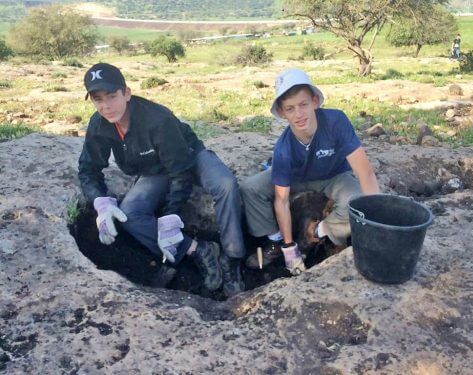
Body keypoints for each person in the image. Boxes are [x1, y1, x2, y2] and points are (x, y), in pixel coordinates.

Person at [78, 63, 245, 297]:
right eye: (98, 99)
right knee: (129, 214)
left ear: (126, 93)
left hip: (189, 157)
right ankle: (196, 250)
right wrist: (100, 202)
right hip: (154, 170)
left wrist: (169, 217)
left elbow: (181, 172)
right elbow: (88, 169)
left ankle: (232, 259)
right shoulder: (99, 125)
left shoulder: (157, 120)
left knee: (225, 185)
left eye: (112, 96)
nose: (106, 106)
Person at [241, 68, 379, 275]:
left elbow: (365, 172)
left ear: (314, 101)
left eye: (303, 104)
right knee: (250, 188)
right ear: (282, 112)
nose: (298, 114)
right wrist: (289, 248)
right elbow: (282, 200)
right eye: (290, 109)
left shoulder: (336, 122)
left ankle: (315, 233)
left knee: (356, 203)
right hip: (295, 179)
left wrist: (377, 217)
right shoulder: (284, 149)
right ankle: (275, 242)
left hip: (334, 176)